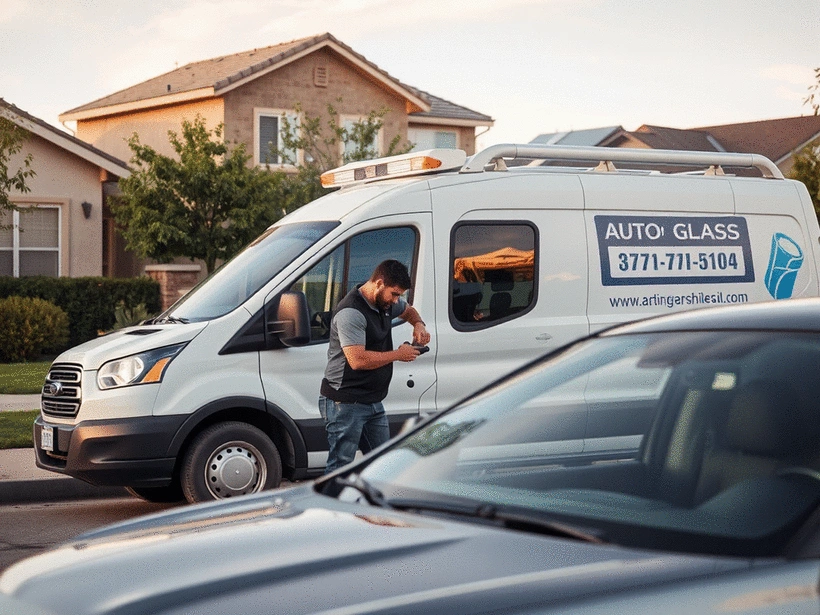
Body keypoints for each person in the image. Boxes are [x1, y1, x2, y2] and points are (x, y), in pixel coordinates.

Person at [319, 259, 431, 473]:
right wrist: (399, 354)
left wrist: (418, 324)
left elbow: (409, 311)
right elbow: (357, 360)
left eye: (399, 295)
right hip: (344, 401)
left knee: (384, 464)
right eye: (395, 294)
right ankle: (329, 505)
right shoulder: (351, 312)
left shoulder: (385, 302)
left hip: (372, 400)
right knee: (340, 467)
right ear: (379, 283)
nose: (397, 300)